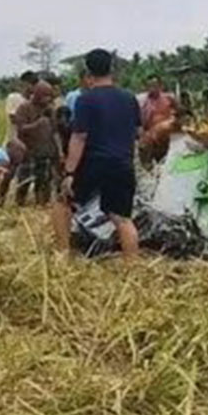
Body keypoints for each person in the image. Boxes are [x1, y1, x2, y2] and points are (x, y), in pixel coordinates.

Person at [53, 49, 142, 259]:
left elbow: (79, 137)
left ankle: (62, 256)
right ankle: (134, 266)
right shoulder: (130, 98)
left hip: (94, 162)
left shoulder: (86, 99)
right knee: (122, 218)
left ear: (88, 71)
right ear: (111, 69)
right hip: (122, 163)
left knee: (62, 202)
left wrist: (70, 172)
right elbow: (138, 133)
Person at [12, 80, 61, 205]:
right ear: (37, 95)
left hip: (46, 151)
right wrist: (37, 124)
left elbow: (55, 131)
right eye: (45, 96)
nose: (47, 99)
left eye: (49, 96)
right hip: (29, 151)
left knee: (44, 181)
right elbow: (21, 129)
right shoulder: (24, 108)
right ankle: (20, 205)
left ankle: (42, 205)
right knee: (24, 181)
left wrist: (58, 151)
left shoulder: (50, 109)